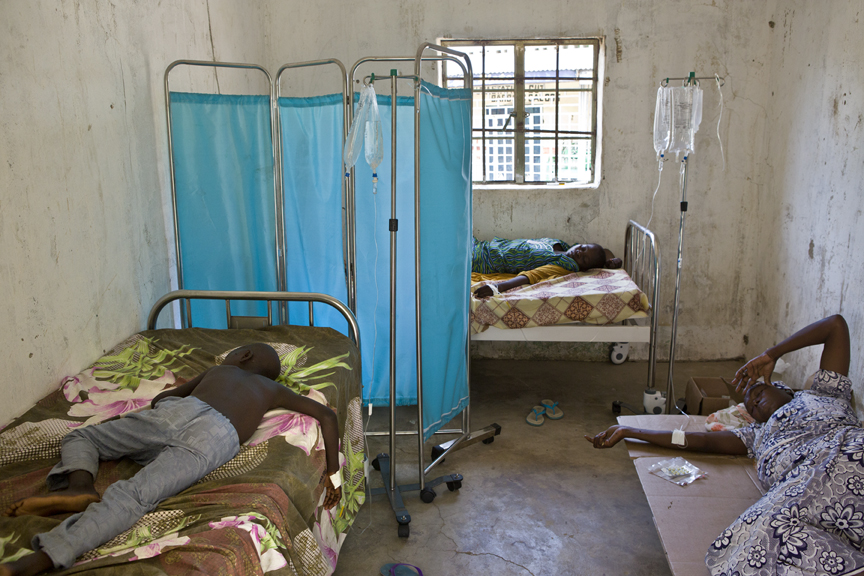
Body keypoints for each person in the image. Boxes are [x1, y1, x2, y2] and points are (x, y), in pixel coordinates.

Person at [0, 343, 342, 576]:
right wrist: (333, 475)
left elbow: (164, 397)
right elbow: (327, 416)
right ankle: (39, 560)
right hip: (218, 438)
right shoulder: (272, 390)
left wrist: (152, 425)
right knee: (135, 496)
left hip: (179, 413)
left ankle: (80, 484)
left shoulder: (218, 372)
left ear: (244, 355)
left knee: (83, 436)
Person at [585, 314, 864, 575]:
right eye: (751, 407)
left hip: (852, 455)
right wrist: (629, 430)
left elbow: (835, 326)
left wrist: (771, 354)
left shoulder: (825, 394)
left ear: (781, 387)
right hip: (807, 496)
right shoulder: (757, 437)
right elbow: (697, 440)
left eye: (758, 391)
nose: (753, 402)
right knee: (754, 536)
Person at [472, 236, 622, 298]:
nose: (579, 253)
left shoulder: (563, 265)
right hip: (485, 246)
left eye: (583, 259)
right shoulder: (562, 246)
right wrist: (609, 260)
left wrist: (496, 288)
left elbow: (531, 276)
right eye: (582, 248)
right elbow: (605, 251)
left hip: (483, 260)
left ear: (583, 268)